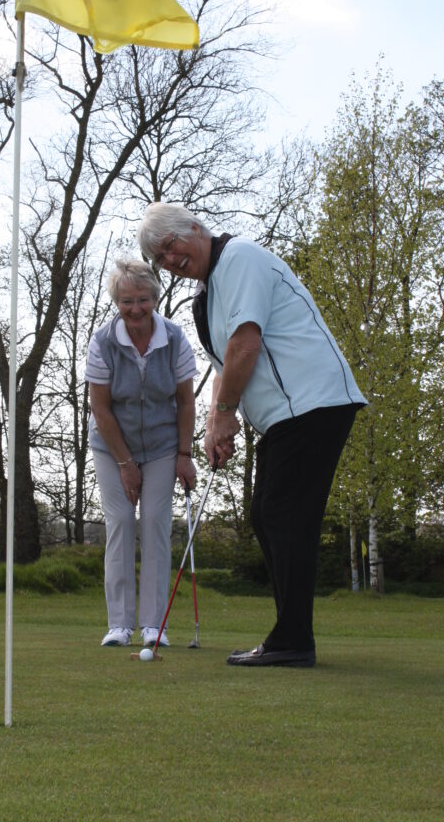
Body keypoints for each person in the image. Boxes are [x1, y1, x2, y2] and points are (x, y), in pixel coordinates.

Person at [138, 203, 366, 667]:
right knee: (269, 515)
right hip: (289, 412)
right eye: (160, 260)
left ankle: (293, 640)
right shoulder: (209, 294)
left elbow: (247, 342)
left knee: (281, 514)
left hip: (313, 400)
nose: (170, 261)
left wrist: (225, 413)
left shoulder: (238, 257)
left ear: (194, 228)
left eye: (170, 247)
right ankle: (291, 635)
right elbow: (225, 363)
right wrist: (214, 424)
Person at [86, 257, 197, 648]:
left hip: (165, 444)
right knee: (119, 522)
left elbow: (185, 402)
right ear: (117, 302)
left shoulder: (175, 338)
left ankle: (155, 625)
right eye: (127, 301)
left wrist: (185, 455)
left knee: (153, 521)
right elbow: (100, 408)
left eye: (144, 300)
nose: (136, 309)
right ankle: (119, 625)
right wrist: (125, 463)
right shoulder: (102, 342)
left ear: (155, 296)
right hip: (112, 443)